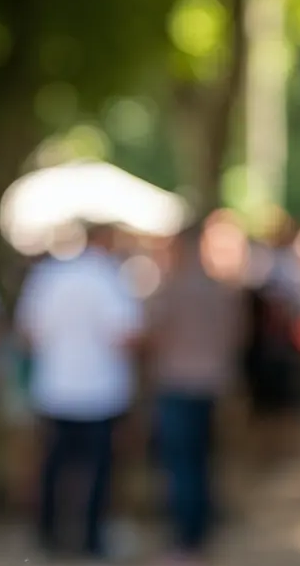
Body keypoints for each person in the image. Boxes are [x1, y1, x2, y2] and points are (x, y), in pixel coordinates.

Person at [17, 224, 144, 560]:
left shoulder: (48, 275)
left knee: (54, 464)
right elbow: (127, 335)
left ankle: (48, 533)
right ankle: (90, 537)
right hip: (99, 391)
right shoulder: (110, 278)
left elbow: (28, 332)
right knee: (98, 468)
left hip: (55, 387)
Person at [145, 223, 245, 565]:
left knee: (181, 465)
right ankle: (199, 531)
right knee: (201, 460)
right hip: (211, 383)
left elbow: (155, 334)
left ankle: (185, 541)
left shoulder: (172, 289)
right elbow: (235, 335)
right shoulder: (219, 289)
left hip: (178, 383)